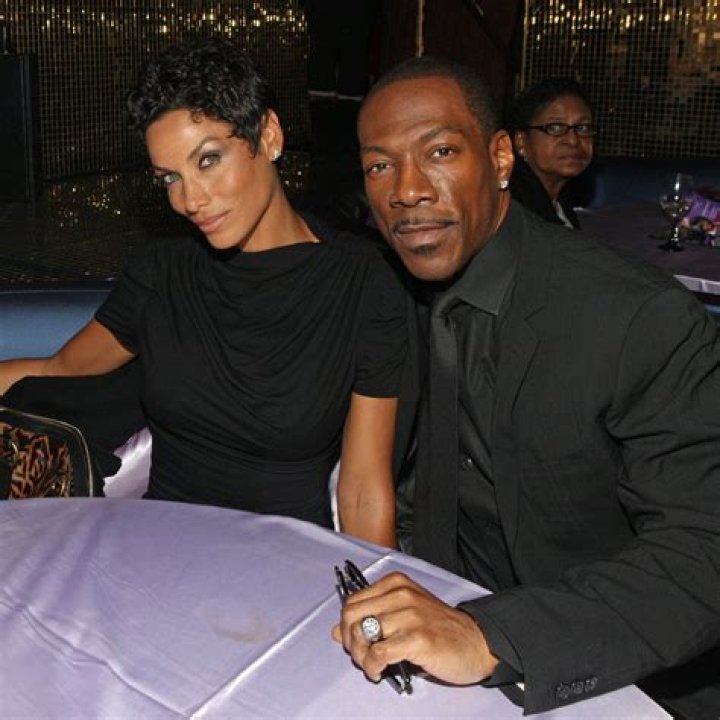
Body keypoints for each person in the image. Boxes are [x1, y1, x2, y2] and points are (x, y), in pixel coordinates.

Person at [332, 56, 720, 717]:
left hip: (615, 671)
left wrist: (492, 637)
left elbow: (705, 552)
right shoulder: (390, 296)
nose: (407, 189)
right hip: (436, 647)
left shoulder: (637, 318)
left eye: (440, 152)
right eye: (378, 166)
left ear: (501, 158)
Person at [0, 37, 407, 548]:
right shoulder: (162, 274)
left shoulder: (363, 282)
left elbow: (364, 492)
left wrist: (383, 584)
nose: (190, 199)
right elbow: (58, 368)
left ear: (269, 136)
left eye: (208, 159)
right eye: (170, 177)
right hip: (157, 549)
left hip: (288, 560)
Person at [508, 77, 595, 228]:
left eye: (583, 128)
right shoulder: (511, 208)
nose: (573, 140)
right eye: (555, 128)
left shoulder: (561, 202)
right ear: (521, 141)